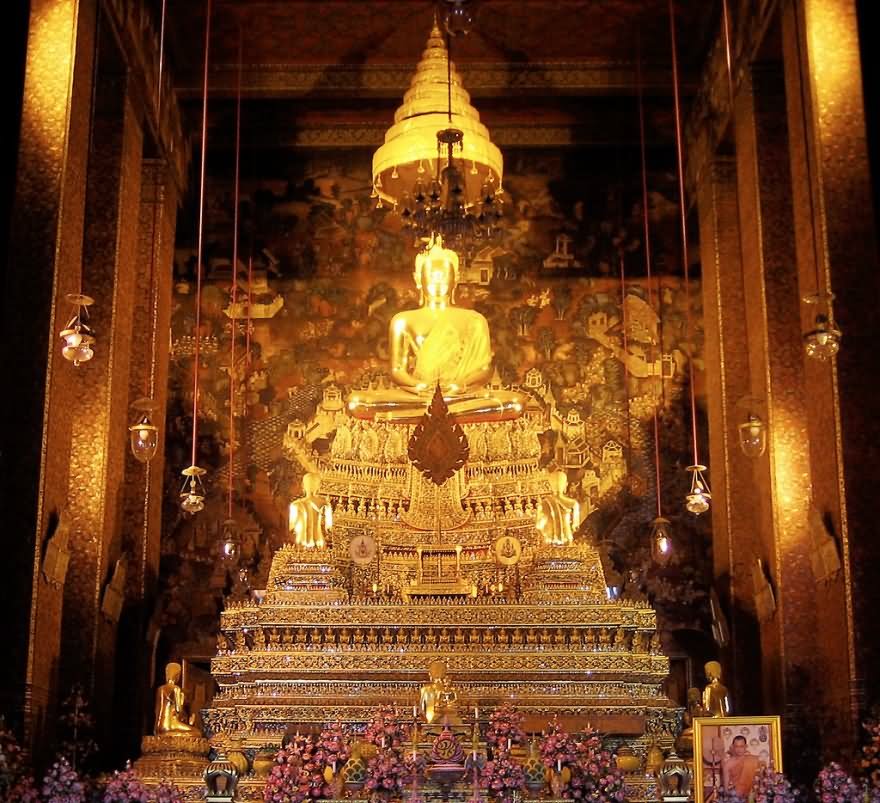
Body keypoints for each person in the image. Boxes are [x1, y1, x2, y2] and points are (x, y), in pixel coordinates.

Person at [347, 237, 523, 424]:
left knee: (513, 403)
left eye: (443, 275)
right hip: (419, 395)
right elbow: (397, 370)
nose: (437, 280)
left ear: (455, 279)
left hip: (460, 396)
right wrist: (419, 386)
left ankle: (410, 418)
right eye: (431, 274)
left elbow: (484, 369)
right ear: (418, 279)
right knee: (358, 402)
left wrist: (459, 386)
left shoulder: (474, 320)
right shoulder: (403, 320)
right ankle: (434, 415)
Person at [535, 469, 581, 545]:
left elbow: (539, 526)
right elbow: (575, 527)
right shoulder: (573, 503)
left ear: (550, 485)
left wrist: (546, 534)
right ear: (566, 484)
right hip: (567, 539)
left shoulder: (543, 504)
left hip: (550, 541)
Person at [288, 472, 333, 549]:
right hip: (319, 542)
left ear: (303, 486)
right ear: (318, 486)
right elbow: (329, 528)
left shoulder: (295, 505)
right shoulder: (325, 504)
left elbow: (291, 527)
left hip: (301, 541)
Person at [154, 662, 199, 735]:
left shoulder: (160, 689)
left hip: (158, 727)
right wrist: (182, 698)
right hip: (171, 725)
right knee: (196, 733)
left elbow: (156, 710)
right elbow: (179, 710)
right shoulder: (176, 689)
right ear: (177, 675)